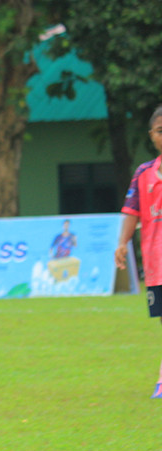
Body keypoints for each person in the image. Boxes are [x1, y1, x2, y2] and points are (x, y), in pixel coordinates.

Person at [115, 103, 162, 398]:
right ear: (151, 135)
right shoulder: (144, 174)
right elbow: (132, 212)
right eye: (160, 131)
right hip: (156, 262)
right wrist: (122, 243)